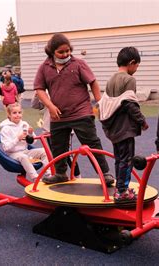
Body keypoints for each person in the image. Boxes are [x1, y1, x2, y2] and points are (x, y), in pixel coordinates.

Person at [33, 33, 114, 185]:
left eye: (68, 50)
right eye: (61, 52)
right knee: (58, 146)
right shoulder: (45, 67)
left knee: (92, 143)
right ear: (52, 52)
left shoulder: (78, 64)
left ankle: (105, 173)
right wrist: (50, 106)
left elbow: (93, 82)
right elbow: (39, 88)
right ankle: (61, 173)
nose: (66, 54)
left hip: (81, 112)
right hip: (59, 115)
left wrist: (99, 101)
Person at [98, 47, 148, 203]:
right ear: (132, 63)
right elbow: (129, 104)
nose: (136, 70)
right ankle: (122, 192)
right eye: (137, 66)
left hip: (113, 128)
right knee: (127, 159)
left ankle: (121, 188)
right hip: (125, 128)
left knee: (119, 159)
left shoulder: (111, 79)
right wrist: (142, 121)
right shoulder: (129, 79)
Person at [31, 91, 82, 179]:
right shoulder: (47, 92)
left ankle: (77, 175)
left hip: (65, 128)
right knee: (54, 155)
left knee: (67, 154)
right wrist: (36, 95)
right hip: (49, 129)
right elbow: (36, 106)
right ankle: (60, 175)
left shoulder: (66, 91)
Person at [0, 103, 52, 181]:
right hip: (13, 154)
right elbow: (6, 148)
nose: (17, 115)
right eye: (14, 113)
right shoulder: (6, 129)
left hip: (25, 151)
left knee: (44, 151)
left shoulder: (24, 124)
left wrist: (31, 134)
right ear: (9, 115)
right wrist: (18, 138)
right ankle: (35, 178)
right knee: (23, 157)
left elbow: (33, 142)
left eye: (19, 112)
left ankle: (49, 175)